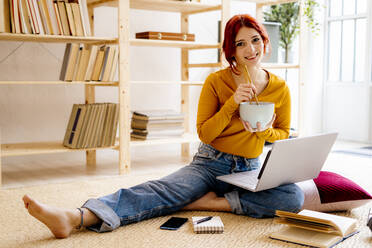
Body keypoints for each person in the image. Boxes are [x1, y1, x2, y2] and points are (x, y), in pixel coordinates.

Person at [22, 14, 304, 238]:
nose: (250, 49)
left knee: (293, 196)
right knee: (157, 190)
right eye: (241, 43)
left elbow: (282, 132)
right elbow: (205, 133)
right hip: (211, 164)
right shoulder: (216, 82)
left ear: (264, 42)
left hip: (250, 167)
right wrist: (231, 103)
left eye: (255, 40)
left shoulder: (280, 88)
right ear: (231, 50)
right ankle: (74, 217)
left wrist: (262, 132)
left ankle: (209, 202)